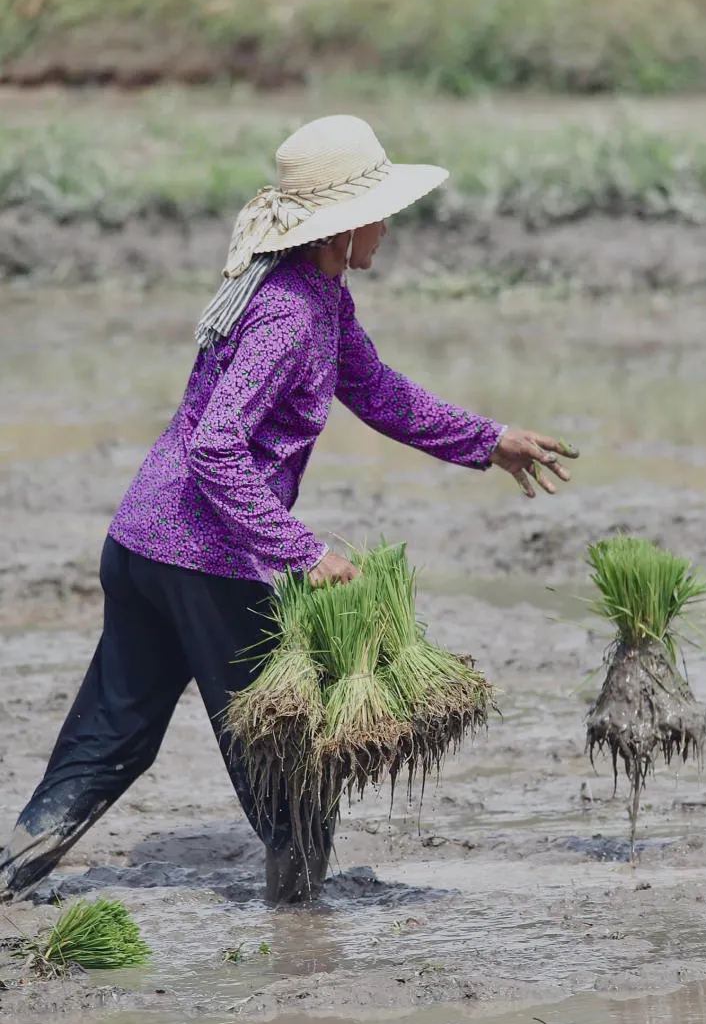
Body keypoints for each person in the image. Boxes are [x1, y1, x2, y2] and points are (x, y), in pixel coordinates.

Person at [0, 115, 577, 905]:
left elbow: (377, 390)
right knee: (290, 762)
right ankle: (302, 936)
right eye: (378, 212)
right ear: (339, 227)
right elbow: (214, 448)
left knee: (111, 741)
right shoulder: (288, 314)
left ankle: (7, 876)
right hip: (205, 561)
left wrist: (489, 439)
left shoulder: (313, 296)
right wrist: (300, 549)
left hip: (141, 543)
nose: (387, 227)